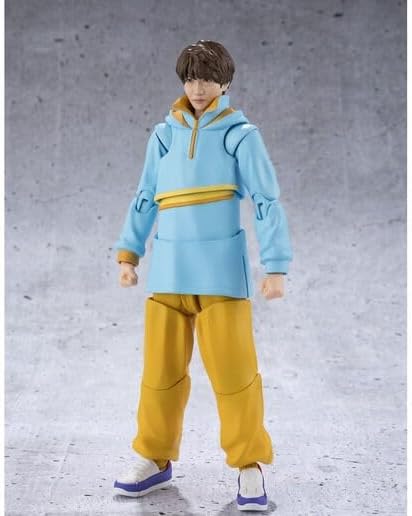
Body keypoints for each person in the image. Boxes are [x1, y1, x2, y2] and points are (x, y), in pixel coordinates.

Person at [113, 40, 292, 512]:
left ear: (225, 83)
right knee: (159, 374)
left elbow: (266, 200)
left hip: (221, 277)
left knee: (235, 374)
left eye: (208, 79)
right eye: (191, 78)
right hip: (168, 273)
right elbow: (145, 196)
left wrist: (275, 265)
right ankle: (154, 455)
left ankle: (249, 462)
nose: (198, 87)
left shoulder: (240, 135)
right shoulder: (164, 136)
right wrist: (129, 252)